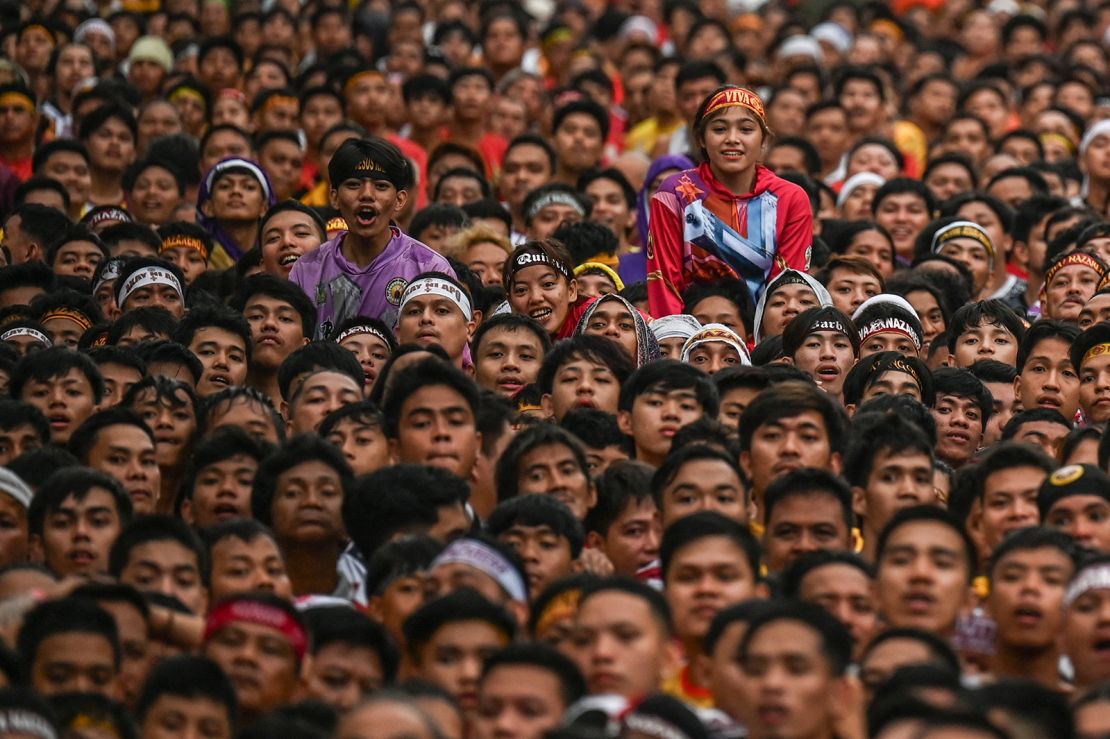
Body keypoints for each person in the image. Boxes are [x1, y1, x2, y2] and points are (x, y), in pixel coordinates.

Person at [647, 86, 813, 318]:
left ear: (764, 140)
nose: (732, 139)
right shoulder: (674, 192)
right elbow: (664, 279)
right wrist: (676, 341)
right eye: (719, 129)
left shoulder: (791, 198)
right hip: (689, 335)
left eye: (746, 129)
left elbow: (786, 287)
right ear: (700, 139)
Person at [290, 137, 454, 336]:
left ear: (400, 200)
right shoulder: (307, 270)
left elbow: (448, 350)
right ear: (334, 197)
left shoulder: (429, 268)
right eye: (353, 184)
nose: (367, 194)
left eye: (381, 186)